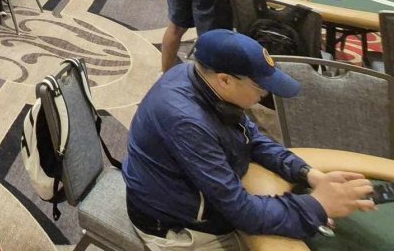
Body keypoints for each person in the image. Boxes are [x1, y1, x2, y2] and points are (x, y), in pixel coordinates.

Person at [124, 29, 374, 249]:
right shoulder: (186, 121)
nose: (265, 94)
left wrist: (308, 174)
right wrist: (316, 205)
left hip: (199, 199)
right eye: (260, 87)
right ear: (224, 80)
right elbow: (241, 212)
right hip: (175, 226)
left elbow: (251, 138)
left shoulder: (200, 79)